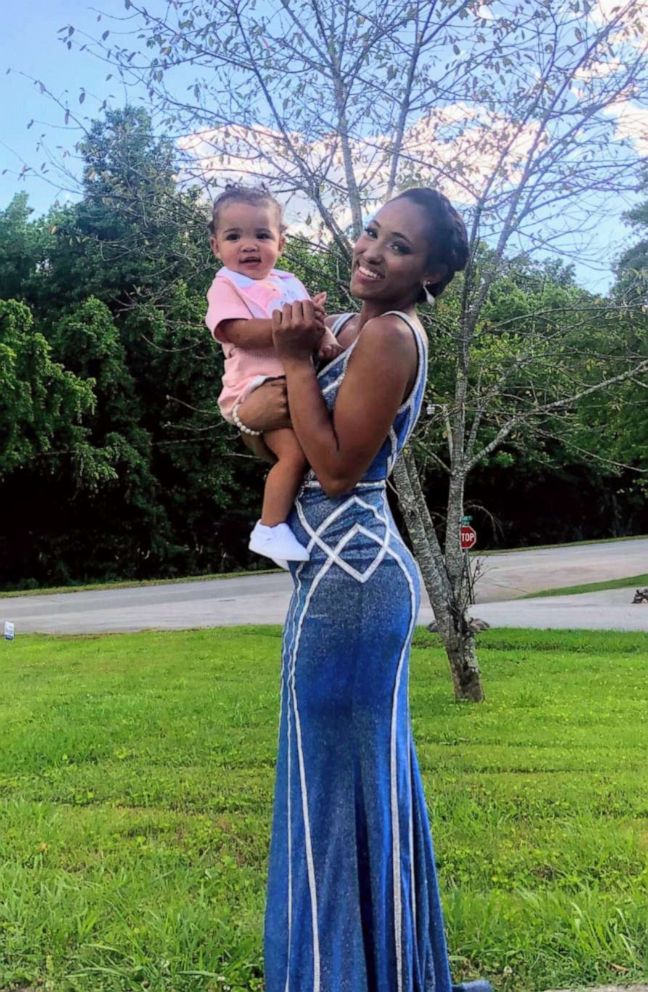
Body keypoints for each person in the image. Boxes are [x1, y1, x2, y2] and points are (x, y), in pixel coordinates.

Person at [235, 188, 491, 992]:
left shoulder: (388, 336)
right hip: (337, 574)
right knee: (346, 787)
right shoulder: (348, 325)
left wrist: (300, 362)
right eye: (372, 232)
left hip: (353, 580)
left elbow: (340, 469)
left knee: (333, 796)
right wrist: (260, 404)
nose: (372, 251)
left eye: (401, 247)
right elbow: (278, 431)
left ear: (434, 273)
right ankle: (376, 972)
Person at [205, 184, 342, 565]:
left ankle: (292, 525)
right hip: (253, 388)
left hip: (296, 386)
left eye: (262, 235)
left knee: (315, 450)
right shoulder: (226, 284)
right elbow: (234, 331)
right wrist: (288, 329)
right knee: (294, 454)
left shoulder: (288, 283)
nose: (249, 245)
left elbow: (312, 321)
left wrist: (325, 335)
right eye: (234, 236)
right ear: (217, 246)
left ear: (281, 242)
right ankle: (269, 527)